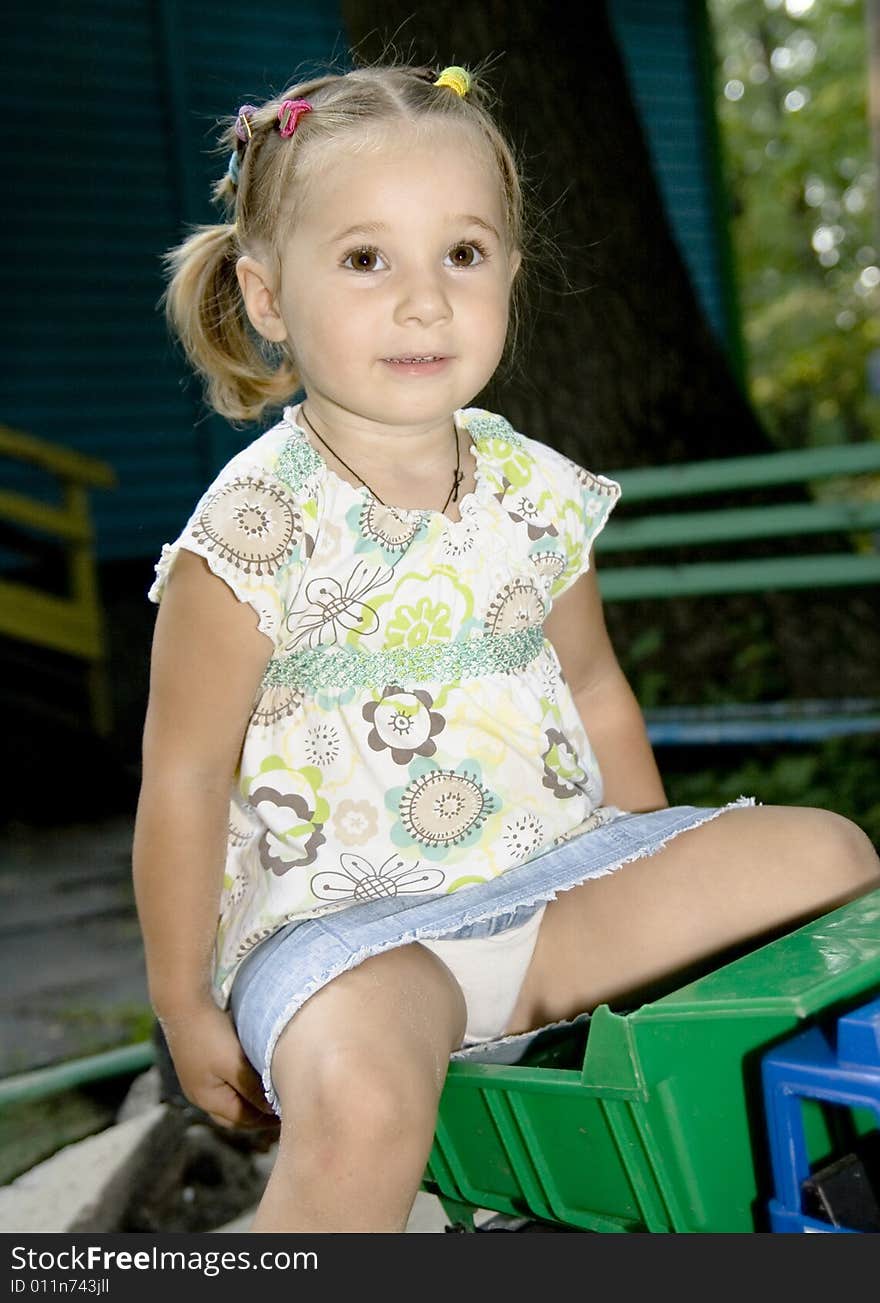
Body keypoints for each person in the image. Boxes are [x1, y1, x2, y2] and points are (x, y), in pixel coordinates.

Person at [132, 61, 880, 1234]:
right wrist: (184, 1003)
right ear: (267, 296)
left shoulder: (532, 491)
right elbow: (178, 778)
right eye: (367, 258)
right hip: (353, 944)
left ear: (511, 277)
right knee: (371, 1097)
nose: (424, 301)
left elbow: (592, 684)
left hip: (557, 895)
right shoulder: (249, 532)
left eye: (463, 255)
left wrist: (647, 858)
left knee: (830, 855)